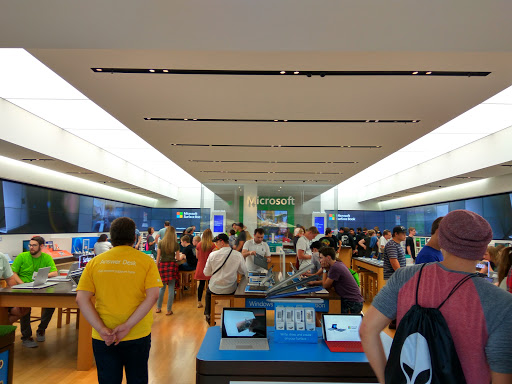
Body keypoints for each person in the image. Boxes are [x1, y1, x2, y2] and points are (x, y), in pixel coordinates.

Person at [359, 209, 512, 384]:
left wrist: (386, 379)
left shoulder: (404, 277)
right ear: (484, 249)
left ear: (442, 240)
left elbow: (367, 330)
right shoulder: (502, 303)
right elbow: (503, 374)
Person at [76, 217, 162, 384]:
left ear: (111, 237)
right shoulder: (146, 261)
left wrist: (101, 329)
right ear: (134, 238)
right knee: (137, 378)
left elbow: (81, 299)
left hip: (104, 336)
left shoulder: (95, 262)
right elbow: (153, 296)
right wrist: (128, 325)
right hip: (137, 333)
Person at [11, 236, 58, 348]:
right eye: (30, 245)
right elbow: (13, 273)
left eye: (34, 245)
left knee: (52, 304)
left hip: (40, 287)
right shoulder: (22, 256)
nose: (31, 247)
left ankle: (41, 329)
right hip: (23, 287)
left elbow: (55, 273)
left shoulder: (46, 257)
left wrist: (41, 275)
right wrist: (21, 283)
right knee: (24, 308)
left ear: (41, 246)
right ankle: (26, 337)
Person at [203, 233, 247, 324]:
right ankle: (234, 315)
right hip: (231, 288)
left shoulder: (212, 255)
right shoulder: (237, 255)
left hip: (215, 288)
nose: (215, 245)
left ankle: (208, 314)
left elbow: (206, 273)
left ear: (221, 242)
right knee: (239, 287)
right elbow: (243, 272)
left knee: (208, 292)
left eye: (216, 242)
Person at [316, 247, 363, 314]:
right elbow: (329, 282)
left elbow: (325, 285)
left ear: (328, 257)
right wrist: (313, 283)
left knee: (329, 309)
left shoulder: (335, 268)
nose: (320, 260)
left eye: (321, 258)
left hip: (351, 302)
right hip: (351, 300)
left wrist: (324, 270)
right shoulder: (337, 264)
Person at [155, 226, 180, 315]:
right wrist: (180, 257)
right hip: (172, 265)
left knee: (162, 288)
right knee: (171, 288)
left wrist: (157, 266)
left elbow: (158, 256)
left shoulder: (161, 243)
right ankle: (169, 310)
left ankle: (158, 308)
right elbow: (177, 257)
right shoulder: (176, 244)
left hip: (162, 265)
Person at [0, 252, 29, 323]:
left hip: (1, 297)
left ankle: (3, 328)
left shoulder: (2, 257)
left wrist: (16, 298)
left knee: (22, 309)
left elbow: (10, 279)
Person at [195, 229, 216, 308]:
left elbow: (197, 256)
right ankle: (211, 299)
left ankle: (199, 301)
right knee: (211, 284)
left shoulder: (199, 244)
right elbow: (214, 257)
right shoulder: (212, 245)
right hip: (210, 267)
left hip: (201, 266)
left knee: (201, 284)